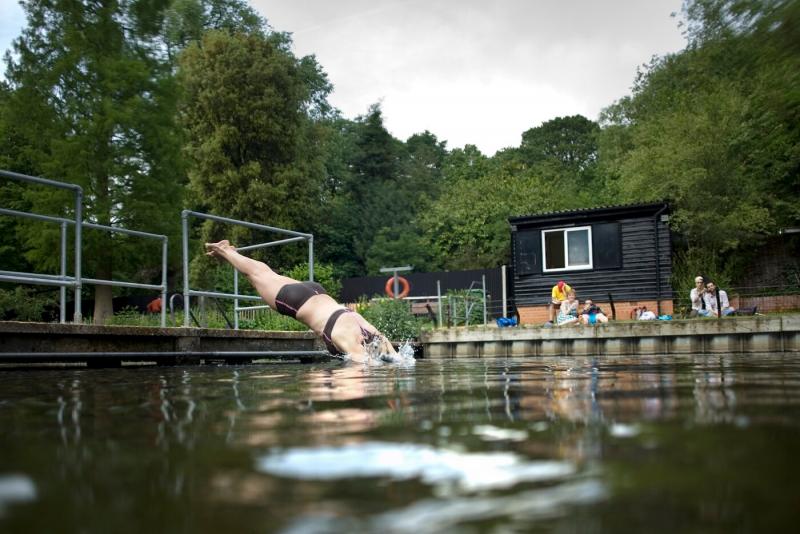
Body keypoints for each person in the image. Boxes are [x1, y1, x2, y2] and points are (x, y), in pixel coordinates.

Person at [204, 240, 395, 363]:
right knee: (255, 275)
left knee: (265, 274)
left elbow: (396, 357)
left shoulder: (370, 331)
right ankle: (225, 251)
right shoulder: (348, 338)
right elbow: (363, 364)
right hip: (296, 301)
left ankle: (228, 251)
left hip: (316, 292)